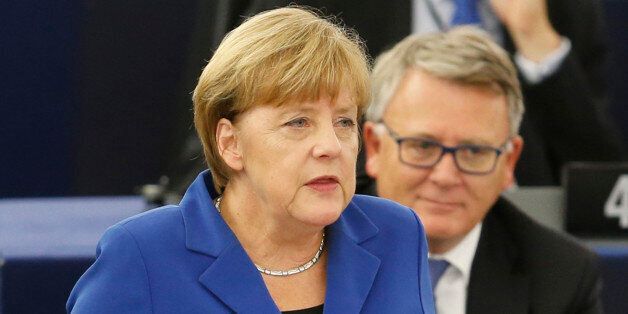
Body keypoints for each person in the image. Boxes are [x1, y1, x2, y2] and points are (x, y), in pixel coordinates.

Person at [66, 7, 435, 313]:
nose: (330, 146)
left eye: (344, 121)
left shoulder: (397, 234)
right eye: (298, 122)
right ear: (230, 143)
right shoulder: (142, 255)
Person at [158, 0, 623, 199]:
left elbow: (601, 183)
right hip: (356, 218)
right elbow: (229, 138)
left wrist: (535, 37)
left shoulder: (563, 9)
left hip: (517, 227)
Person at [362, 27, 602, 314]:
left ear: (509, 163)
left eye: (475, 152)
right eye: (423, 146)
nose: (445, 176)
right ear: (375, 147)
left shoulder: (561, 278)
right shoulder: (310, 244)